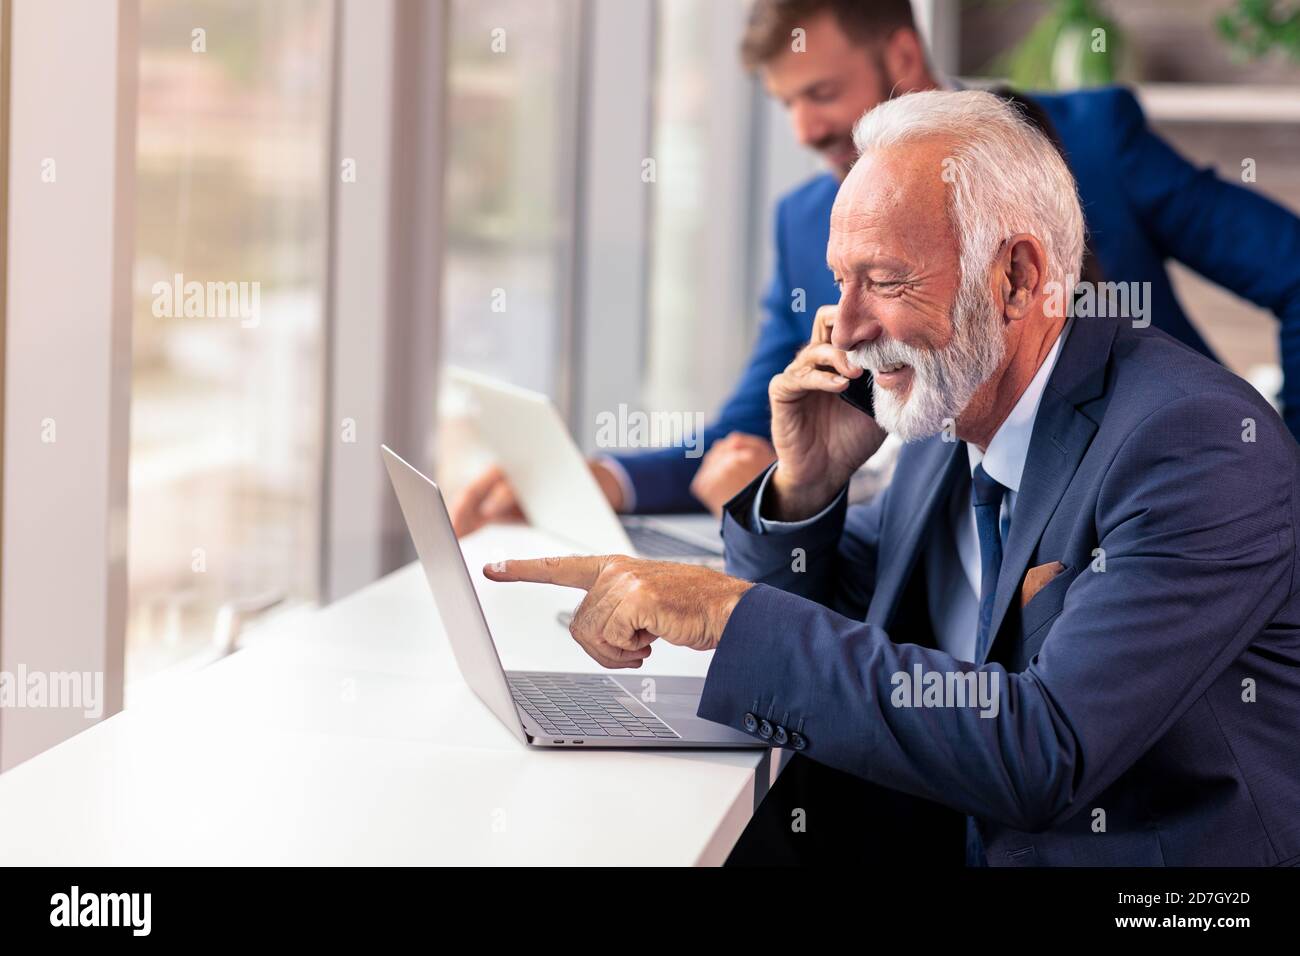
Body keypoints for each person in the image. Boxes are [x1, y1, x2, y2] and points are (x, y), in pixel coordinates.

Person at [483, 90, 1300, 866]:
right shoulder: (954, 416)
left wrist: (726, 611)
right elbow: (831, 622)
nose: (848, 327)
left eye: (884, 279)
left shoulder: (1193, 446)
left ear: (1015, 278)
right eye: (842, 279)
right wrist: (805, 486)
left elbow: (1044, 748)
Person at [452, 0, 1300, 534]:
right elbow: (758, 423)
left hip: (1144, 519)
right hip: (941, 549)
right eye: (784, 104)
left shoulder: (1092, 143)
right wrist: (604, 480)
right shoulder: (806, 221)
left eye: (820, 93)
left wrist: (1278, 458)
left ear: (901, 58)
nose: (802, 132)